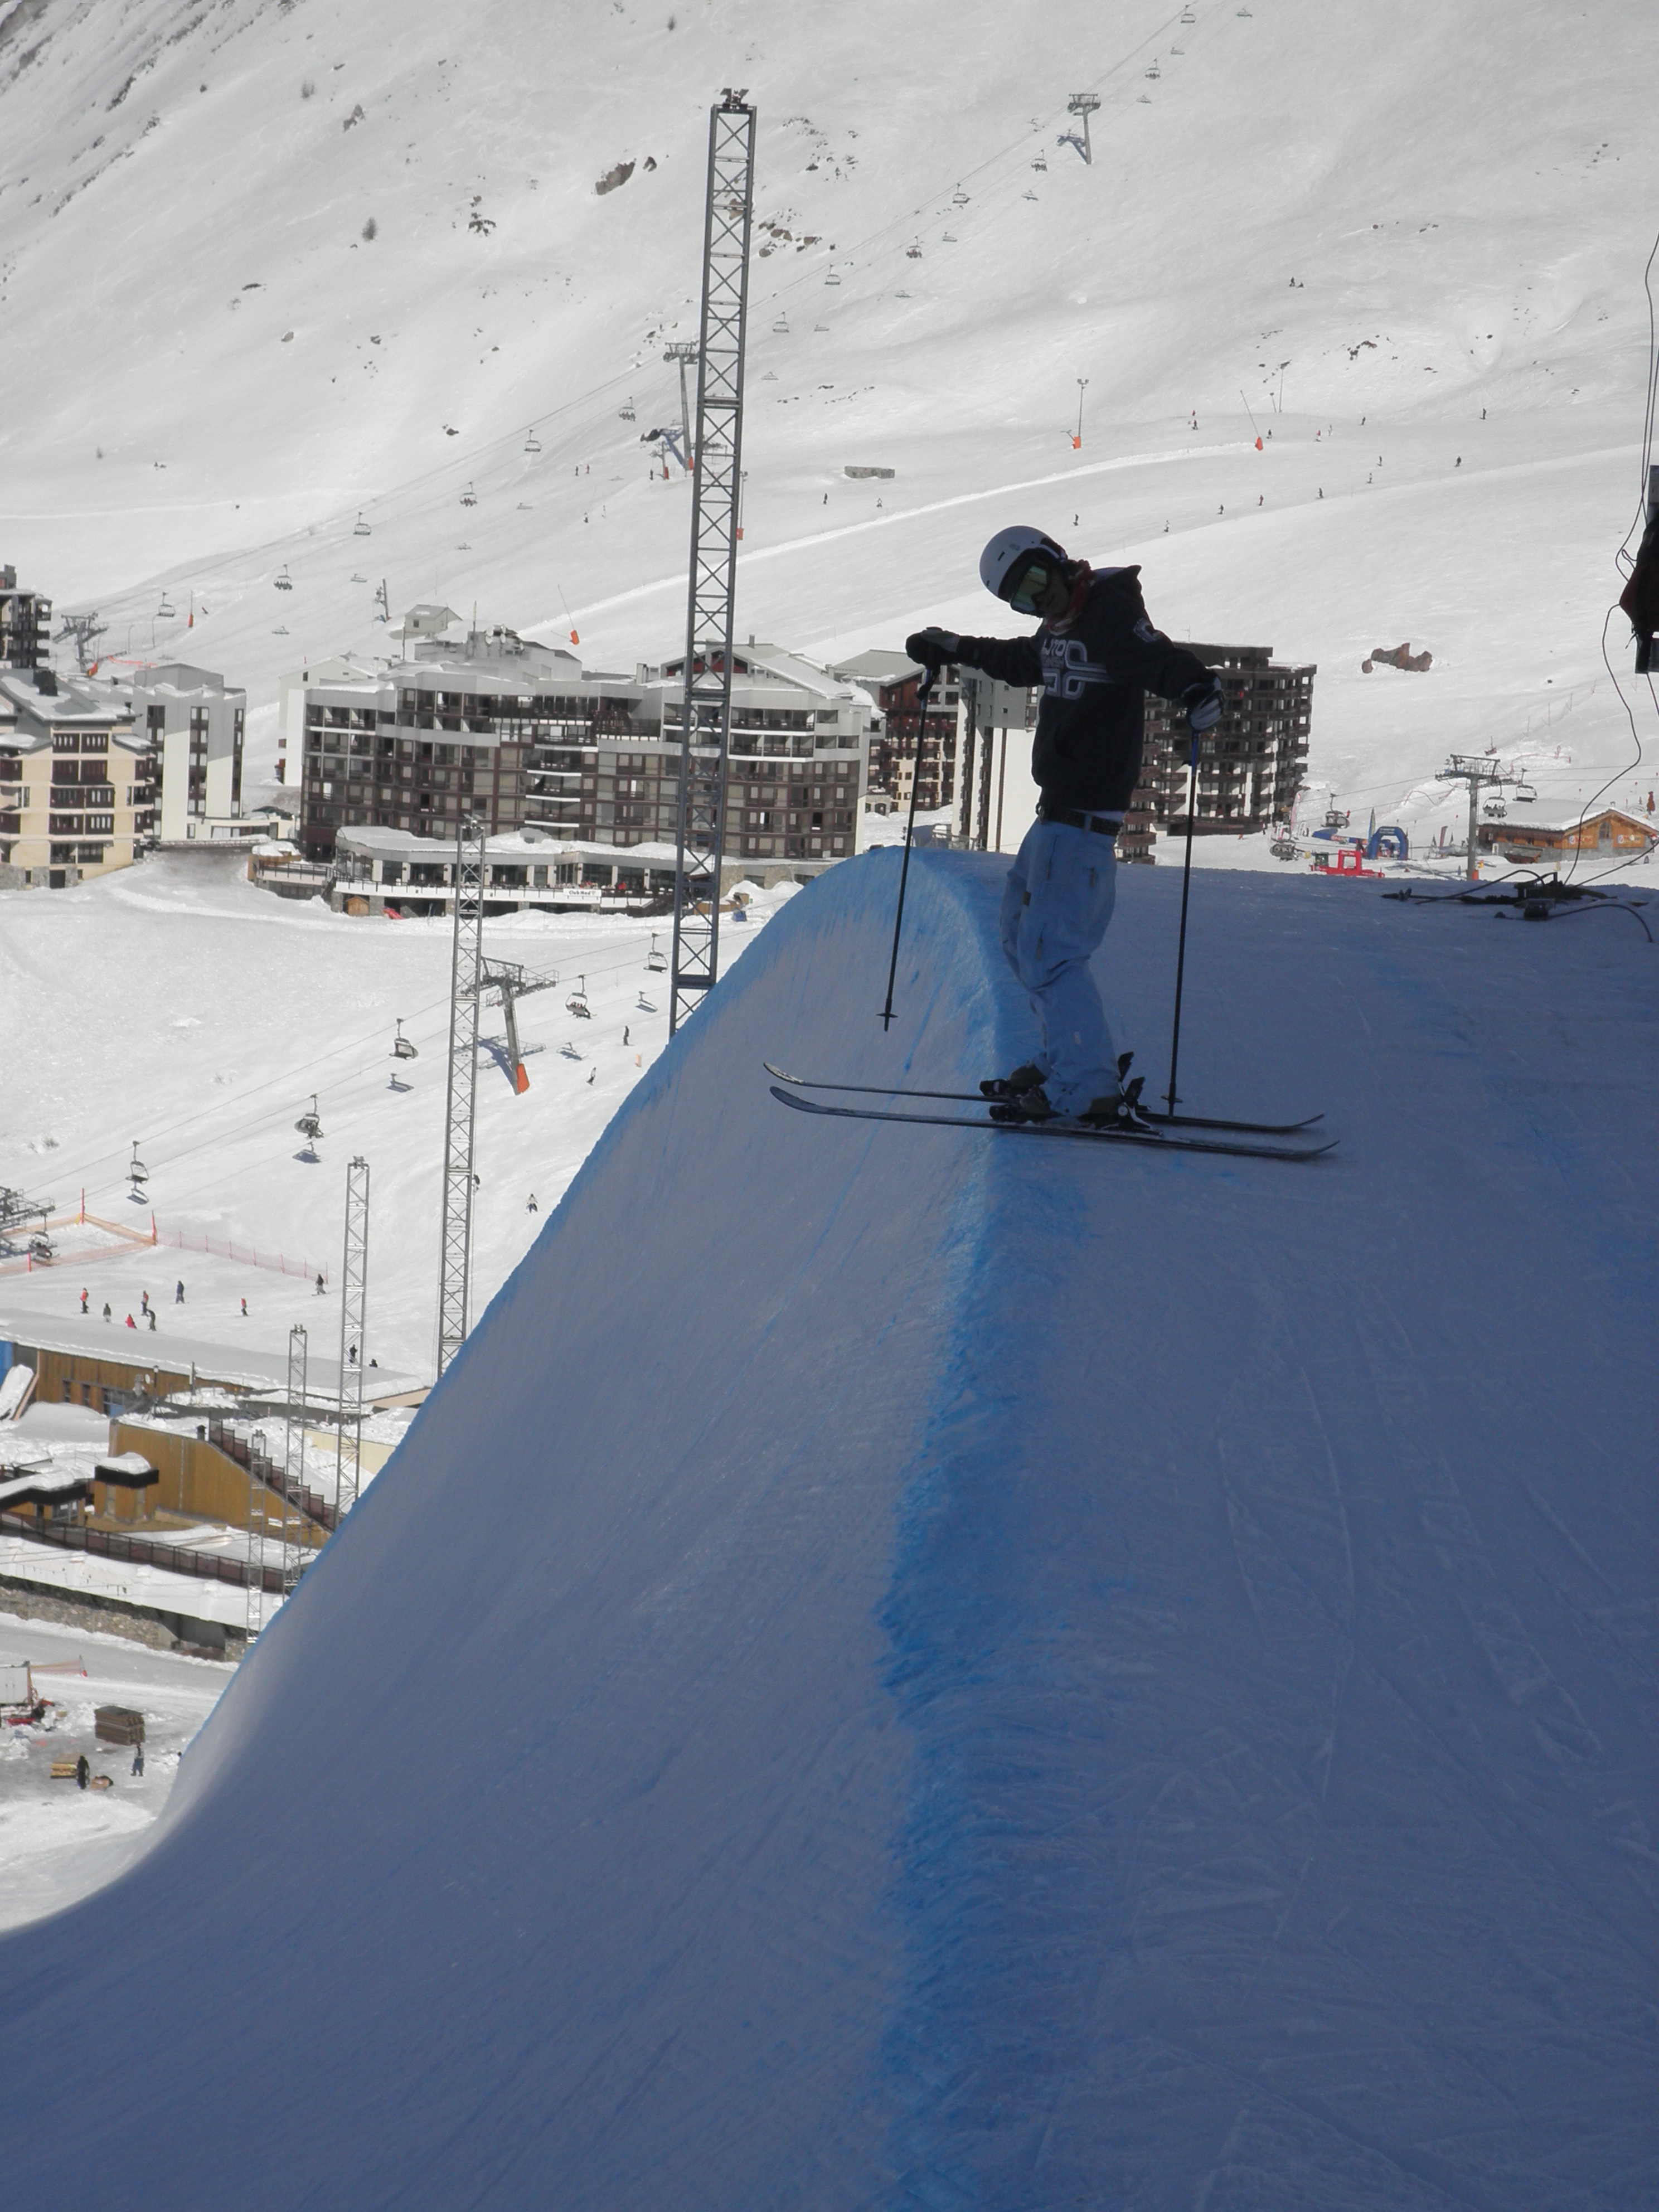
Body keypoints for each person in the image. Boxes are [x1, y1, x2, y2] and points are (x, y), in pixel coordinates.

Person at [906, 527, 1219, 1130]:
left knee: (1050, 955)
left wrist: (1196, 687)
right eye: (1018, 600)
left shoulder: (1108, 614)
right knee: (1021, 938)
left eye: (1032, 583)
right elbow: (1020, 662)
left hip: (1083, 821)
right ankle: (1065, 1060)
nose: (1033, 602)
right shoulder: (1061, 627)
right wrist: (953, 646)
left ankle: (1089, 1087)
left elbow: (1155, 657)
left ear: (1054, 560)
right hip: (1056, 815)